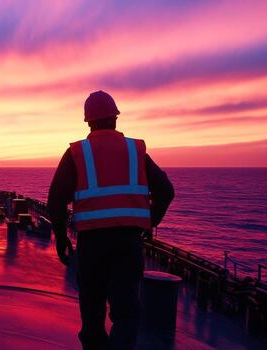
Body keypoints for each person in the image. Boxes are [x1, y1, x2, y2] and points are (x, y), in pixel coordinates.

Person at [47, 90, 174, 349]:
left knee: (92, 313)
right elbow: (165, 191)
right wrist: (150, 222)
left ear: (88, 122)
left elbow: (56, 201)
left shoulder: (77, 153)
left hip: (92, 244)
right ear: (115, 118)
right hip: (128, 243)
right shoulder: (135, 151)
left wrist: (61, 239)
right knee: (126, 313)